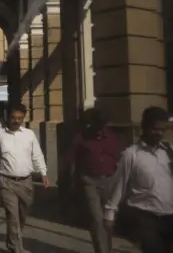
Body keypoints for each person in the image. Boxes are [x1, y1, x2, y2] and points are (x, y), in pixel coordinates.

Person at [104, 106, 173, 253]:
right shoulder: (131, 154)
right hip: (145, 218)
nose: (159, 133)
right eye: (155, 129)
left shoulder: (169, 151)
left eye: (163, 130)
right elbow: (118, 184)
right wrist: (109, 214)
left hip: (170, 217)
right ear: (145, 127)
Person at [0, 103, 49, 253]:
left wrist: (43, 173)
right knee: (12, 216)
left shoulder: (29, 134)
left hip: (25, 182)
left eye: (20, 118)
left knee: (21, 215)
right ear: (8, 117)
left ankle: (12, 241)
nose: (16, 121)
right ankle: (17, 248)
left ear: (23, 118)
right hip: (6, 181)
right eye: (13, 118)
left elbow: (37, 155)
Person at [68, 108, 121, 253]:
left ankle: (107, 248)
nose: (99, 130)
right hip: (89, 181)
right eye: (96, 126)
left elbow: (118, 159)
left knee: (108, 220)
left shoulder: (112, 138)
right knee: (96, 219)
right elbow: (72, 159)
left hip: (109, 181)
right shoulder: (81, 138)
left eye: (102, 127)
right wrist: (73, 179)